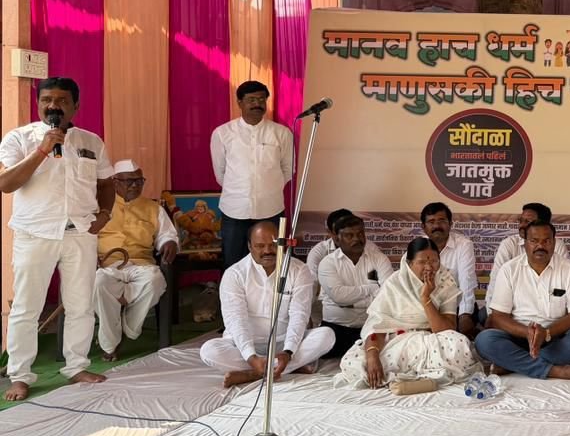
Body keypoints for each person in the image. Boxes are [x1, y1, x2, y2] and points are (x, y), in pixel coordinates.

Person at [0, 77, 114, 400]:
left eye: (62, 101)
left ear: (76, 106)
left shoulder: (92, 141)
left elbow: (106, 183)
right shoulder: (19, 138)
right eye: (47, 100)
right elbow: (6, 183)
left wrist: (105, 214)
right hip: (35, 233)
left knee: (81, 304)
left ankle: (76, 366)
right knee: (27, 307)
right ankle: (20, 375)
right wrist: (42, 150)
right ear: (38, 104)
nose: (53, 106)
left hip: (80, 232)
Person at [199, 221, 334, 387]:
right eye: (260, 246)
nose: (268, 251)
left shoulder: (299, 269)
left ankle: (254, 374)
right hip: (244, 346)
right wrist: (251, 357)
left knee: (327, 335)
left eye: (273, 245)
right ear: (249, 246)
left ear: (283, 244)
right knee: (209, 351)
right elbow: (236, 321)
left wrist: (288, 351)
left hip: (283, 342)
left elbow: (299, 315)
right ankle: (282, 368)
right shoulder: (234, 274)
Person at [334, 237, 479, 391]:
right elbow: (377, 327)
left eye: (434, 261)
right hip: (397, 342)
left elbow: (446, 329)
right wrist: (372, 357)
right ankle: (424, 376)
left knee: (459, 343)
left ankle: (408, 377)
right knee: (356, 362)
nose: (429, 267)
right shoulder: (395, 283)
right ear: (409, 264)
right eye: (422, 262)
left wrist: (426, 298)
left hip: (431, 341)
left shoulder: (445, 281)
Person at [478, 220, 570, 380]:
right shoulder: (509, 269)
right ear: (525, 243)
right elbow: (498, 317)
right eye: (534, 241)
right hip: (518, 336)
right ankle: (553, 370)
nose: (540, 246)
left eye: (546, 241)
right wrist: (528, 333)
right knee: (484, 340)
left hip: (554, 338)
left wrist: (546, 333)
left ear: (554, 243)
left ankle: (513, 363)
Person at [93, 160, 180, 361]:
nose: (135, 185)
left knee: (155, 281)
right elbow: (85, 236)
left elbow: (167, 234)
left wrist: (169, 242)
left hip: (142, 265)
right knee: (98, 283)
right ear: (115, 182)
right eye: (129, 181)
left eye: (139, 181)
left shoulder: (153, 207)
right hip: (107, 265)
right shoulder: (99, 206)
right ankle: (110, 343)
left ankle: (126, 330)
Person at [210, 80, 294, 268]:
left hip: (271, 209)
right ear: (239, 102)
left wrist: (267, 188)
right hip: (235, 210)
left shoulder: (281, 133)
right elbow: (220, 173)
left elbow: (288, 169)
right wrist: (242, 189)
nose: (257, 104)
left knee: (272, 261)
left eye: (262, 99)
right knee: (233, 262)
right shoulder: (223, 133)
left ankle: (271, 289)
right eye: (251, 100)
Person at [316, 215, 395, 358]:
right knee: (320, 341)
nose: (357, 239)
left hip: (372, 327)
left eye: (360, 234)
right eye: (349, 235)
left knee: (395, 346)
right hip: (337, 328)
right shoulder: (328, 263)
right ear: (337, 239)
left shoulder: (379, 259)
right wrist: (372, 289)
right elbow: (339, 297)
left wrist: (352, 304)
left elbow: (388, 295)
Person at [421, 202, 477, 336]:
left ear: (450, 224)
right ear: (423, 227)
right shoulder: (417, 247)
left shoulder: (464, 245)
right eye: (431, 222)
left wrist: (464, 314)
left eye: (442, 221)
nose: (437, 226)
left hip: (457, 308)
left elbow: (467, 281)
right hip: (426, 306)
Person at [491, 202, 567, 274]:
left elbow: (565, 274)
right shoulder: (509, 244)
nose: (521, 225)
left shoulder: (557, 245)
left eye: (528, 221)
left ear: (542, 224)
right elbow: (496, 277)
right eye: (521, 221)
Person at [306, 208, 355, 276]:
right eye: (337, 233)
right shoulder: (318, 253)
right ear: (329, 232)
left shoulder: (368, 249)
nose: (342, 238)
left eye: (347, 233)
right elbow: (312, 280)